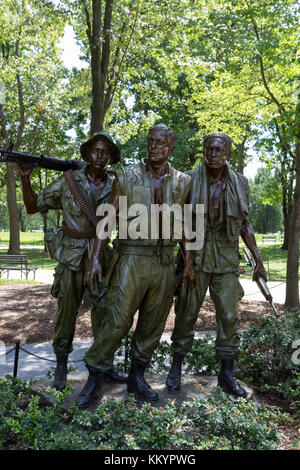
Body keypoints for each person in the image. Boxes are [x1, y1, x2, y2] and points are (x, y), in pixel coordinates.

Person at [76, 123, 193, 409]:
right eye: (150, 142)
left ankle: (137, 376)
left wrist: (188, 261)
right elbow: (108, 219)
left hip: (164, 261)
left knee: (152, 323)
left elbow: (185, 224)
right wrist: (94, 260)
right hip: (131, 257)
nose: (154, 147)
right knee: (117, 320)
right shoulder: (126, 175)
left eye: (160, 143)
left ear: (171, 147)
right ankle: (96, 374)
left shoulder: (182, 182)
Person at [17, 131, 127, 391]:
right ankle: (61, 365)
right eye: (96, 150)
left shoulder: (118, 184)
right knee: (67, 312)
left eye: (105, 152)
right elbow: (33, 206)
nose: (100, 156)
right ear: (88, 153)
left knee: (106, 311)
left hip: (102, 258)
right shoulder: (69, 181)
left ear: (111, 157)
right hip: (72, 257)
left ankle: (104, 365)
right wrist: (25, 179)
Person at [166, 132, 268, 398]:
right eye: (209, 149)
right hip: (195, 255)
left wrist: (257, 259)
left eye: (219, 150)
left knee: (229, 317)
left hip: (225, 255)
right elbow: (181, 224)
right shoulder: (188, 180)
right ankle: (175, 368)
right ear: (204, 151)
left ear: (228, 154)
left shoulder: (240, 183)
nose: (214, 154)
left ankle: (226, 374)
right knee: (186, 312)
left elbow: (245, 223)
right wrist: (187, 261)